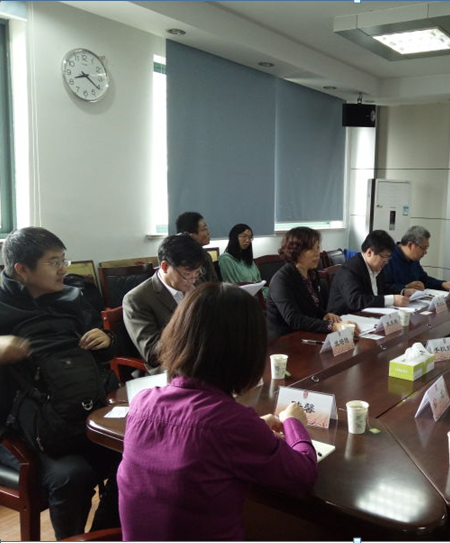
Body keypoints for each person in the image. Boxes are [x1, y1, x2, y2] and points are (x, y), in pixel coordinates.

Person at [118, 283, 318, 540]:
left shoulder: (142, 402)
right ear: (247, 351)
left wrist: (254, 428)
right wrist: (293, 423)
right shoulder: (232, 424)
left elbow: (194, 441)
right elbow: (303, 475)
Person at [0, 227, 120, 539]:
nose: (63, 269)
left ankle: (100, 535)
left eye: (64, 260)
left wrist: (106, 338)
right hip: (21, 430)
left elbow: (105, 353)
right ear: (22, 269)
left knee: (137, 456)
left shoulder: (71, 299)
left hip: (78, 413)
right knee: (72, 475)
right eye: (54, 262)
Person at [123, 234, 204, 369]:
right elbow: (152, 354)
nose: (193, 280)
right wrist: (188, 313)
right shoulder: (137, 299)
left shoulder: (197, 284)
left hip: (203, 356)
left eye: (197, 272)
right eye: (187, 274)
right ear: (165, 266)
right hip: (173, 367)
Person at [266, 227, 355, 339]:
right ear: (296, 251)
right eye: (310, 249)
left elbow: (311, 307)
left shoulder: (312, 273)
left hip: (307, 333)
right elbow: (294, 319)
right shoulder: (281, 280)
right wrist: (332, 326)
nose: (317, 253)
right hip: (285, 339)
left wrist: (324, 314)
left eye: (317, 247)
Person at [327, 230, 412, 316]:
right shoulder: (350, 269)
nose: (386, 262)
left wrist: (402, 292)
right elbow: (355, 300)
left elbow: (382, 289)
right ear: (369, 252)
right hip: (343, 319)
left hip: (368, 315)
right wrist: (391, 300)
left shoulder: (376, 267)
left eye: (388, 258)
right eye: (384, 257)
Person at [382, 225, 450, 293]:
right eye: (423, 248)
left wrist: (442, 284)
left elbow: (424, 279)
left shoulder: (413, 259)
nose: (425, 252)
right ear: (410, 245)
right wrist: (405, 288)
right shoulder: (387, 257)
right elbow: (382, 288)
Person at [175, 211, 219, 283]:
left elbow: (215, 281)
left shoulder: (206, 255)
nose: (208, 232)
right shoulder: (182, 259)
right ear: (190, 235)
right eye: (204, 229)